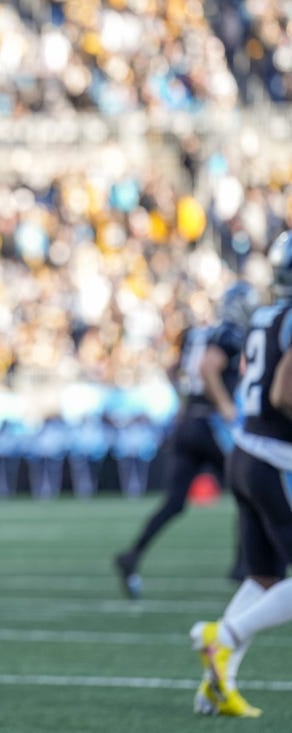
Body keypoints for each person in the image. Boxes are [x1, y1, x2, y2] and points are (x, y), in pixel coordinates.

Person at [189, 234, 292, 718]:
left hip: (246, 454)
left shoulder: (268, 315)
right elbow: (284, 394)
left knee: (264, 576)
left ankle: (215, 686)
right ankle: (223, 638)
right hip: (276, 458)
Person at [114, 280, 257, 599]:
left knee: (175, 502)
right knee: (249, 490)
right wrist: (224, 406)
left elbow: (177, 370)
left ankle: (133, 555)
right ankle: (242, 568)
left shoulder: (198, 333)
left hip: (189, 422)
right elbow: (208, 368)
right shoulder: (229, 334)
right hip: (211, 426)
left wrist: (184, 404)